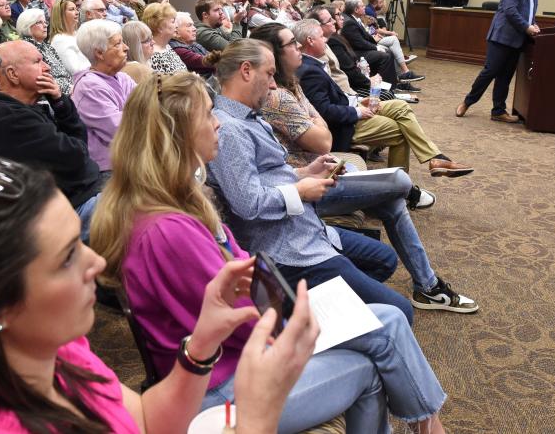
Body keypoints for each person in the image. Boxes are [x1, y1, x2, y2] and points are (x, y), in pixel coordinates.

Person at [90, 71, 449, 433]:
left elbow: (236, 288)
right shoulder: (170, 229)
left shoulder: (165, 204)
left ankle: (428, 425)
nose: (218, 125)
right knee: (382, 334)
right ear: (179, 133)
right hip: (221, 386)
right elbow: (239, 318)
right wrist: (303, 326)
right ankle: (430, 426)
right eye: (208, 115)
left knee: (383, 322)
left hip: (225, 362)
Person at [0, 160, 319, 433]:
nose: (96, 263)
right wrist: (256, 420)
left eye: (81, 242)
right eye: (66, 258)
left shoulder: (50, 348)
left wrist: (202, 344)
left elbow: (147, 422)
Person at [205, 39, 416, 322]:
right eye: (269, 74)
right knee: (400, 311)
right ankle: (307, 317)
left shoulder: (249, 117)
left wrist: (304, 173)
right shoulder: (230, 129)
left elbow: (265, 176)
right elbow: (248, 203)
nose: (272, 84)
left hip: (304, 228)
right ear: (246, 71)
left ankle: (319, 314)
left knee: (384, 260)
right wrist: (300, 191)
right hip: (286, 249)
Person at [250, 23, 435, 210]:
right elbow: (323, 129)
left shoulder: (293, 80)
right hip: (331, 141)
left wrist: (353, 103)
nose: (297, 46)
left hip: (333, 130)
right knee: (400, 133)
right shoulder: (284, 90)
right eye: (291, 43)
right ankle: (410, 188)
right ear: (274, 53)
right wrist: (348, 112)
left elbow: (321, 111)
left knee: (400, 107)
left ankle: (429, 162)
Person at [294, 19, 474, 177]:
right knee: (400, 130)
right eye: (321, 37)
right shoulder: (309, 70)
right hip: (342, 127)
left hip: (349, 107)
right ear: (310, 40)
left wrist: (356, 101)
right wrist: (357, 110)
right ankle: (402, 187)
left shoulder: (314, 63)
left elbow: (333, 96)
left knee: (400, 106)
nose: (326, 40)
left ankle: (436, 158)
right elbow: (324, 112)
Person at [0, 40, 104, 241]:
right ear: (12, 74)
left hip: (77, 197)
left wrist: (60, 103)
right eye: (38, 61)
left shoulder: (20, 109)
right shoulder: (10, 120)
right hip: (65, 216)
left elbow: (78, 151)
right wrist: (62, 110)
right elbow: (77, 156)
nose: (47, 67)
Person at [458, 0, 544, 123]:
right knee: (490, 71)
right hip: (502, 38)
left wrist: (534, 24)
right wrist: (527, 27)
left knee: (505, 77)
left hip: (518, 41)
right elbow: (510, 11)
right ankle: (467, 102)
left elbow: (528, 15)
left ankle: (498, 111)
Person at [71, 20, 136, 173]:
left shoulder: (122, 78)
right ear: (99, 53)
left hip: (132, 159)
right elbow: (121, 130)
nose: (126, 48)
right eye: (118, 44)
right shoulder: (89, 87)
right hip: (109, 170)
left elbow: (150, 105)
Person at [16, 8, 73, 96]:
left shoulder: (47, 47)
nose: (45, 25)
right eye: (39, 22)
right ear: (27, 26)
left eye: (45, 22)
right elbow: (42, 80)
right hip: (51, 96)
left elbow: (64, 73)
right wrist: (71, 88)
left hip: (67, 90)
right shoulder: (27, 48)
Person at [48, 0, 90, 75]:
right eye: (71, 9)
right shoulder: (60, 40)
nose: (77, 12)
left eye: (76, 9)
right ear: (61, 14)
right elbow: (76, 70)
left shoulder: (78, 33)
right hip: (81, 81)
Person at [142, 3, 187, 74]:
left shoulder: (167, 47)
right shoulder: (152, 55)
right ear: (159, 27)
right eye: (173, 22)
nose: (177, 25)